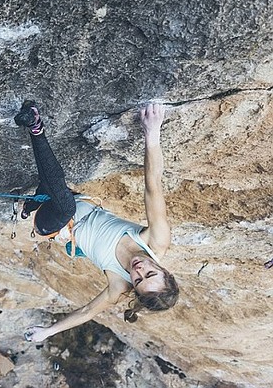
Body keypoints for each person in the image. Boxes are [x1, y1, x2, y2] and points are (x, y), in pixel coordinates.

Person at [14, 100, 179, 342]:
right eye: (150, 273)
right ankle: (39, 194)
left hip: (52, 223)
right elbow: (153, 186)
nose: (139, 270)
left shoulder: (118, 285)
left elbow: (87, 312)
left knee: (65, 204)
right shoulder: (156, 241)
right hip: (68, 196)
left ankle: (35, 126)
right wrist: (152, 133)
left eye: (138, 280)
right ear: (164, 270)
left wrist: (48, 332)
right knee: (61, 192)